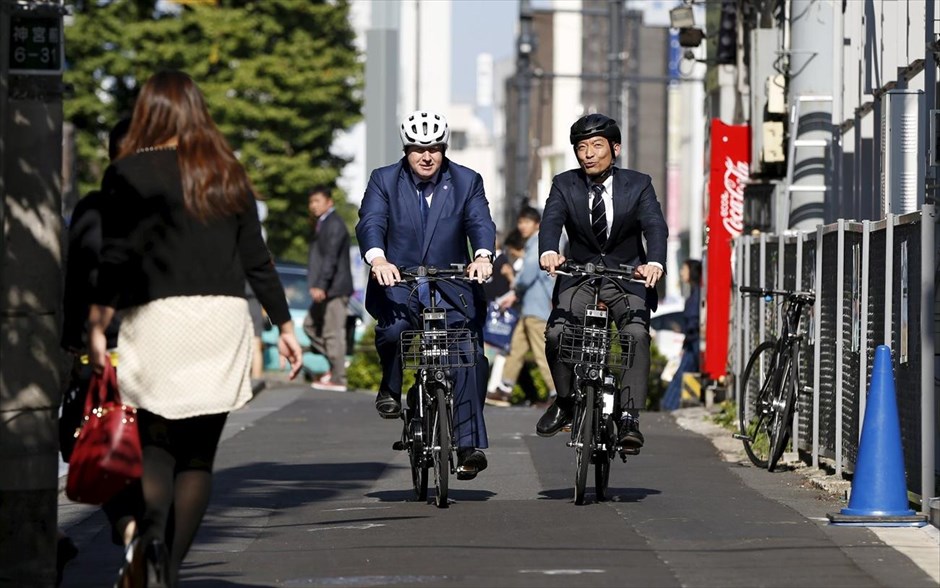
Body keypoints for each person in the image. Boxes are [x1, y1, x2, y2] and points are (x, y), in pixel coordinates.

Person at [87, 70, 303, 587]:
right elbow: (257, 258)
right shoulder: (228, 172)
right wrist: (286, 325)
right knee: (199, 457)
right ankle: (169, 568)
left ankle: (151, 544)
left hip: (156, 318)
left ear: (149, 113)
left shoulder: (128, 174)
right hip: (220, 320)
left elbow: (116, 256)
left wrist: (99, 320)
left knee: (157, 446)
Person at [356, 110, 496, 480]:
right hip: (398, 281)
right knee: (393, 332)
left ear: (444, 149)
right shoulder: (384, 180)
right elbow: (371, 221)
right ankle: (390, 386)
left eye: (434, 148)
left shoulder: (467, 181)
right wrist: (378, 259)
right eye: (418, 149)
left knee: (467, 355)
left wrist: (482, 256)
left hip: (452, 285)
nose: (426, 156)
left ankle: (466, 446)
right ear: (406, 150)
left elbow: (480, 221)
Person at [536, 113, 668, 452]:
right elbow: (551, 221)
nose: (589, 154)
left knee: (635, 335)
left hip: (627, 277)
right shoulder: (565, 184)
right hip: (579, 275)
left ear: (615, 148)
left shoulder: (638, 184)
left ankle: (629, 417)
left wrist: (654, 262)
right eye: (582, 147)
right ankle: (565, 401)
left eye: (597, 145)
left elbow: (654, 225)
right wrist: (549, 251)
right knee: (557, 334)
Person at [58, 117, 144, 585]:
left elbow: (78, 278)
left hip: (105, 348)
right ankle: (145, 531)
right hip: (164, 347)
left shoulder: (94, 207)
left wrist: (75, 342)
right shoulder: (174, 208)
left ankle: (130, 526)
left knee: (94, 436)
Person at [491, 207, 557, 406]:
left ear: (537, 224)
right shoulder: (537, 241)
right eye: (520, 222)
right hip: (529, 307)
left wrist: (515, 288)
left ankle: (558, 394)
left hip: (538, 307)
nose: (522, 226)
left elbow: (528, 273)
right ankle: (505, 389)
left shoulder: (538, 241)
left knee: (542, 351)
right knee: (516, 348)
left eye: (526, 222)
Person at [304, 186, 354, 392]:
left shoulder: (334, 224)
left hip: (334, 288)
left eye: (317, 201)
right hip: (325, 288)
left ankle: (338, 377)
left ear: (329, 202)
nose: (313, 205)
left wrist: (321, 285)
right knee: (309, 325)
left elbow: (331, 258)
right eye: (311, 202)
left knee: (333, 333)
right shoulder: (322, 224)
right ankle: (337, 363)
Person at [660, 259, 702, 410]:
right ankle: (678, 405)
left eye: (684, 269)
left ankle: (671, 406)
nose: (681, 272)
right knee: (687, 373)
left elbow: (694, 319)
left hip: (694, 341)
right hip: (693, 340)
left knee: (683, 374)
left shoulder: (697, 293)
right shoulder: (695, 291)